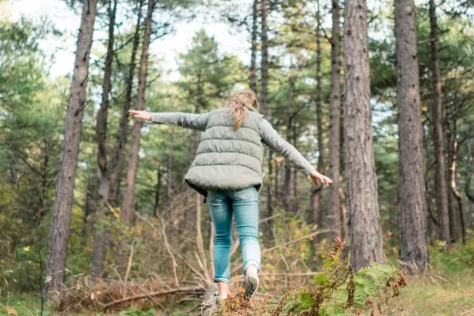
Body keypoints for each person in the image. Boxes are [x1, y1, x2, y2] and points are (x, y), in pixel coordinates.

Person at [129, 89, 332, 301]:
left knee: (222, 239)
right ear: (252, 104)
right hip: (244, 186)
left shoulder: (213, 117)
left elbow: (182, 118)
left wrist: (151, 116)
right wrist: (311, 170)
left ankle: (223, 294)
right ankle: (251, 269)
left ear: (231, 102)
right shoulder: (258, 121)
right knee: (249, 235)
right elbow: (284, 147)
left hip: (216, 187)